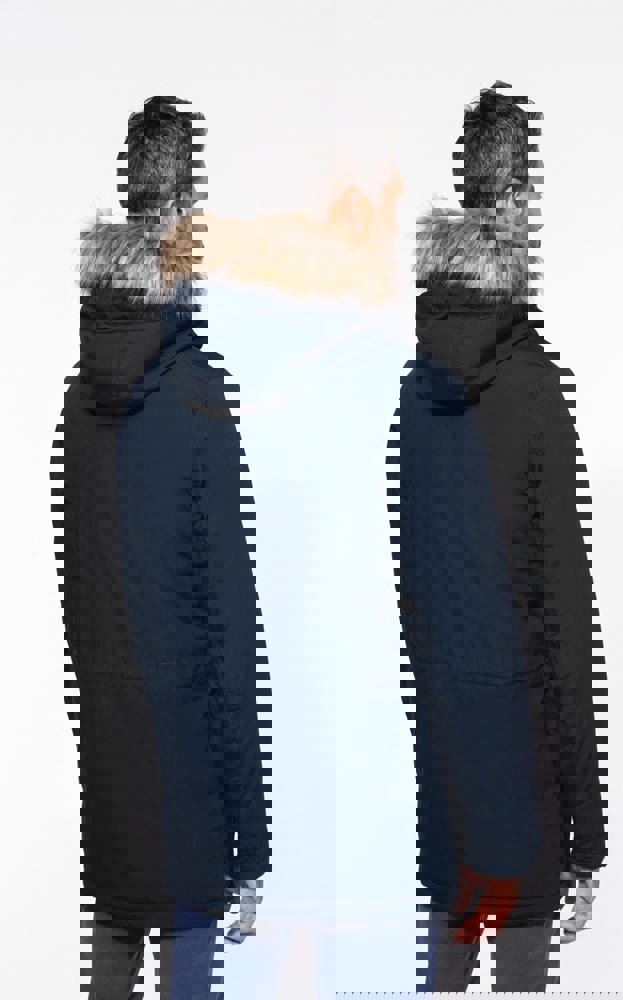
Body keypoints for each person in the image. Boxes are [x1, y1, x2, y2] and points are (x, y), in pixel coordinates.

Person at [389, 82, 608, 992]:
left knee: (445, 971)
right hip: (525, 781)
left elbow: (413, 596)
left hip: (445, 776)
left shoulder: (414, 388)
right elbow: (566, 619)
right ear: (518, 201)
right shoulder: (534, 386)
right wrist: (588, 837)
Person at [51, 95, 270, 998]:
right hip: (189, 796)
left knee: (108, 965)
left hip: (108, 782)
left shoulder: (77, 399)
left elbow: (78, 600)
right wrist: (251, 847)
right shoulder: (198, 397)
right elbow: (231, 634)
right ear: (187, 218)